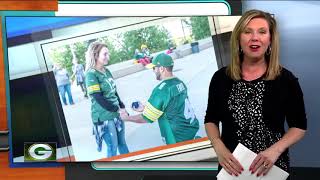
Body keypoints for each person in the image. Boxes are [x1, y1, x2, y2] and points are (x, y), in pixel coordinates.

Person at [204, 9, 307, 178]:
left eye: (262, 32)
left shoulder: (286, 80)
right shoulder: (220, 78)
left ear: (270, 39)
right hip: (231, 168)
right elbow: (211, 119)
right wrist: (218, 145)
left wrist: (276, 149)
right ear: (238, 38)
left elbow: (299, 126)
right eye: (247, 31)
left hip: (272, 168)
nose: (254, 38)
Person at [120, 53, 199, 145]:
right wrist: (145, 108)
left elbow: (146, 118)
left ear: (161, 69)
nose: (153, 71)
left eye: (154, 68)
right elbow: (172, 107)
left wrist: (127, 118)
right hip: (192, 132)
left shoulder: (161, 90)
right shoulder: (180, 83)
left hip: (178, 140)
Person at [85, 41, 129, 158]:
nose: (108, 57)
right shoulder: (91, 74)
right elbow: (98, 97)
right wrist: (117, 109)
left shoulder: (106, 70)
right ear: (95, 55)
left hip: (116, 112)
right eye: (105, 54)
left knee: (122, 143)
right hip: (104, 116)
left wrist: (122, 105)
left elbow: (114, 91)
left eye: (108, 54)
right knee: (112, 147)